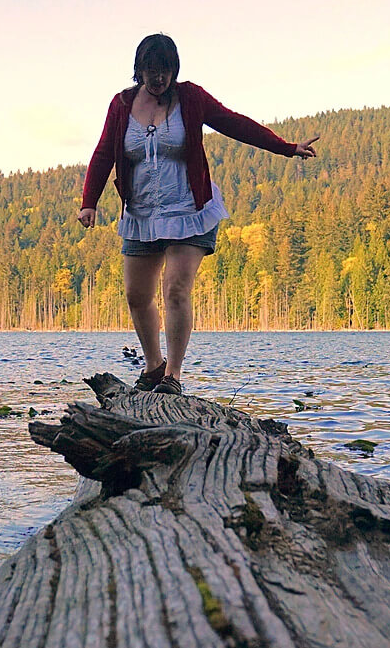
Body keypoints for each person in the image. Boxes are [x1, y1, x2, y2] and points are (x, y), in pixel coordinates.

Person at [78, 34, 318, 395]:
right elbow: (102, 154)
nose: (158, 78)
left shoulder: (190, 97)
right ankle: (154, 366)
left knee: (176, 289)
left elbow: (233, 122)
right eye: (151, 71)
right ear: (138, 70)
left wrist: (285, 148)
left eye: (165, 71)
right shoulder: (122, 105)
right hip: (142, 212)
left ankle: (173, 375)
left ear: (175, 70)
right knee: (136, 296)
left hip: (190, 209)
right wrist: (89, 201)